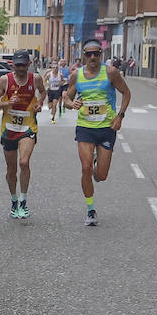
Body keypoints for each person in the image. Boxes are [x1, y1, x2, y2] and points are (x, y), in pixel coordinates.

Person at [63, 38, 131, 226]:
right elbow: (67, 100)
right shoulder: (76, 75)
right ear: (83, 56)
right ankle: (90, 210)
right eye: (89, 54)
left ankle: (96, 167)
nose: (93, 57)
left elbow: (126, 93)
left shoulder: (111, 73)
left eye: (96, 53)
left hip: (106, 128)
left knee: (101, 175)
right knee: (85, 168)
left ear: (101, 55)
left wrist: (120, 116)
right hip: (85, 128)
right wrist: (72, 103)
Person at [0, 50, 44, 219]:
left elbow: (43, 92)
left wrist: (40, 103)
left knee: (24, 162)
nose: (21, 68)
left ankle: (23, 200)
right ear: (13, 65)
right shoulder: (4, 80)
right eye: (18, 65)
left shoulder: (35, 79)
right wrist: (6, 103)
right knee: (11, 169)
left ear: (29, 64)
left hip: (28, 128)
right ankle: (14, 200)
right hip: (9, 129)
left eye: (24, 65)